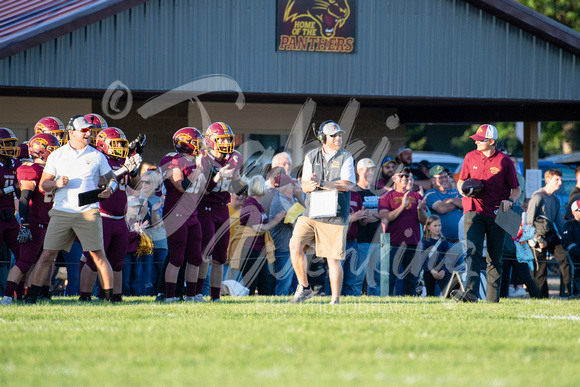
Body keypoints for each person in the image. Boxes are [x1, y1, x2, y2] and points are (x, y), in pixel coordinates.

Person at [25, 115, 118, 304]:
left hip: (88, 211)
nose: (88, 134)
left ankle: (110, 300)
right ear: (72, 132)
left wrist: (110, 189)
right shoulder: (57, 155)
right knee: (47, 255)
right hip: (62, 211)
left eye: (89, 130)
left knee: (98, 255)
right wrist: (56, 183)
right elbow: (43, 185)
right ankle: (31, 297)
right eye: (83, 130)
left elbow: (112, 179)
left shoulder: (97, 155)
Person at [289, 120, 355, 304]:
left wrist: (323, 184)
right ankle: (304, 288)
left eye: (339, 134)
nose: (338, 138)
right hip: (312, 213)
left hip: (335, 215)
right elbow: (305, 186)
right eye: (333, 135)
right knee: (295, 245)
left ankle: (335, 300)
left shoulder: (347, 157)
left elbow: (347, 184)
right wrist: (312, 184)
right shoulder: (311, 156)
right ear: (322, 137)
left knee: (333, 259)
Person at [454, 124, 521, 303]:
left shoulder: (504, 161)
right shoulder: (470, 157)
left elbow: (516, 190)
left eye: (480, 140)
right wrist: (463, 190)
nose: (476, 143)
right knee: (472, 251)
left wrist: (510, 200)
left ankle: (492, 300)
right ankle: (471, 293)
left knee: (494, 257)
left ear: (491, 141)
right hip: (473, 211)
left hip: (497, 213)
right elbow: (461, 182)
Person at [79, 127, 142, 302]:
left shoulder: (123, 160)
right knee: (93, 260)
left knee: (118, 262)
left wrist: (134, 170)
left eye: (122, 144)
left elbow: (137, 186)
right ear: (102, 144)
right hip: (101, 216)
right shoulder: (97, 159)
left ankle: (114, 297)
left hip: (119, 219)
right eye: (115, 143)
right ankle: (84, 297)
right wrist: (123, 170)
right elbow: (98, 182)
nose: (119, 147)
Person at [1, 133, 61, 305]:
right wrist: (25, 224)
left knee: (41, 261)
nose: (54, 152)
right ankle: (6, 297)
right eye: (51, 148)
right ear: (40, 150)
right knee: (25, 261)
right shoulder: (31, 168)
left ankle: (29, 296)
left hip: (47, 221)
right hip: (34, 221)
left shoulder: (49, 170)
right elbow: (25, 199)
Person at [197, 122, 245, 302]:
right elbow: (204, 191)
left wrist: (241, 182)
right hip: (205, 208)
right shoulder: (203, 158)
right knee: (204, 254)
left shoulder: (235, 157)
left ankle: (215, 297)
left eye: (228, 139)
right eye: (221, 139)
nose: (226, 142)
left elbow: (237, 186)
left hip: (222, 208)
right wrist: (217, 177)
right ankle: (198, 293)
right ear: (211, 141)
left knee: (220, 257)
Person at [160, 127, 206, 302]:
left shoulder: (195, 163)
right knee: (177, 257)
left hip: (192, 215)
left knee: (195, 258)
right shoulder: (174, 160)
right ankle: (170, 296)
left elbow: (202, 192)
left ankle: (192, 296)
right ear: (186, 144)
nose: (200, 145)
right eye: (196, 142)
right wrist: (199, 169)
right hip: (176, 216)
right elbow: (181, 185)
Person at [378, 164, 428, 296]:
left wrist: (419, 209)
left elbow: (425, 221)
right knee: (390, 278)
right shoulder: (386, 197)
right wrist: (402, 206)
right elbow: (384, 218)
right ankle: (387, 303)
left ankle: (409, 304)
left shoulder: (417, 197)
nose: (405, 178)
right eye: (402, 176)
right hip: (393, 243)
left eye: (408, 176)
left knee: (412, 278)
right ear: (394, 178)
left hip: (414, 243)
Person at [235, 175, 285, 295]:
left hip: (258, 248)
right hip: (250, 249)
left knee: (264, 283)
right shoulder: (251, 204)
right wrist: (276, 220)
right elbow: (259, 228)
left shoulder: (257, 204)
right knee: (251, 284)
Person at [526, 169, 571, 298]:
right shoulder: (538, 197)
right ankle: (541, 298)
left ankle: (568, 292)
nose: (560, 182)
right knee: (540, 270)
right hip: (537, 236)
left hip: (550, 234)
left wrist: (567, 236)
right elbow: (529, 221)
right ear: (548, 180)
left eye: (561, 179)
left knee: (564, 258)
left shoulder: (555, 200)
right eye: (557, 179)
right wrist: (537, 239)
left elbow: (559, 222)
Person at [499, 204, 541, 299]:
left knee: (526, 277)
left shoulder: (517, 209)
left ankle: (537, 299)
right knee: (504, 280)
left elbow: (522, 228)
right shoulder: (497, 208)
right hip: (503, 252)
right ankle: (501, 300)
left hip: (518, 251)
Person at [138, 168, 168, 296]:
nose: (144, 184)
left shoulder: (161, 200)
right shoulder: (137, 200)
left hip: (161, 242)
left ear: (155, 184)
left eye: (148, 182)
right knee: (147, 277)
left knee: (162, 274)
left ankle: (163, 295)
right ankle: (147, 297)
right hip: (146, 244)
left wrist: (155, 212)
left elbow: (163, 224)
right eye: (142, 181)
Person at [268, 174, 299, 295]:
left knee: (294, 286)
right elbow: (296, 223)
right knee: (284, 287)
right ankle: (281, 310)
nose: (294, 186)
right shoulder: (280, 201)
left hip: (290, 248)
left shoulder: (291, 200)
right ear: (285, 187)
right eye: (292, 184)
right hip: (284, 249)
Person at [425, 165, 463, 242]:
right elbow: (442, 209)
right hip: (442, 240)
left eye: (445, 176)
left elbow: (465, 204)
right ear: (432, 180)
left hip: (460, 239)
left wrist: (451, 200)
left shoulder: (455, 192)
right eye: (440, 178)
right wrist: (456, 202)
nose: (444, 179)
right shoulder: (430, 194)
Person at [421, 215, 452, 296]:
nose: (438, 228)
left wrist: (444, 270)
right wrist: (432, 270)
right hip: (429, 271)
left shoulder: (444, 242)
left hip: (442, 271)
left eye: (439, 225)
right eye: (435, 226)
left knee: (447, 293)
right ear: (428, 227)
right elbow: (423, 259)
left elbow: (448, 258)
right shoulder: (425, 242)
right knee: (430, 294)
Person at [562, 199, 580, 296]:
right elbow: (566, 242)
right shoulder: (569, 225)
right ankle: (575, 294)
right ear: (573, 212)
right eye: (579, 210)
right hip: (576, 258)